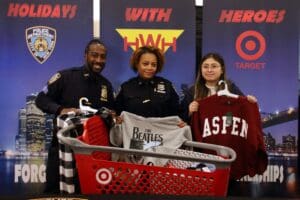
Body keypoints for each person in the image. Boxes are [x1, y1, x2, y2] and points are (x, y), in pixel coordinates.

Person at [35, 38, 115, 193]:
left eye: (102, 57)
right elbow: (41, 99)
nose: (98, 60)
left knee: (86, 192)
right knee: (55, 193)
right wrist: (60, 109)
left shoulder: (106, 85)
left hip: (91, 154)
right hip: (61, 150)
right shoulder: (66, 77)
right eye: (94, 55)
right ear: (85, 55)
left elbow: (109, 113)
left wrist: (111, 116)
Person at [180, 52, 257, 122]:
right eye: (205, 67)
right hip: (199, 136)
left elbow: (245, 113)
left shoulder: (231, 88)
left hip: (226, 134)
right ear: (201, 70)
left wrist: (250, 103)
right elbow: (180, 119)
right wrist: (189, 111)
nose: (209, 70)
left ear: (222, 70)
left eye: (214, 66)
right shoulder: (193, 91)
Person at [115, 45, 181, 118]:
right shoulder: (126, 87)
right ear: (137, 64)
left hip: (161, 129)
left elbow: (178, 113)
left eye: (153, 65)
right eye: (145, 64)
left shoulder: (168, 86)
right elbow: (116, 113)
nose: (150, 68)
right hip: (133, 129)